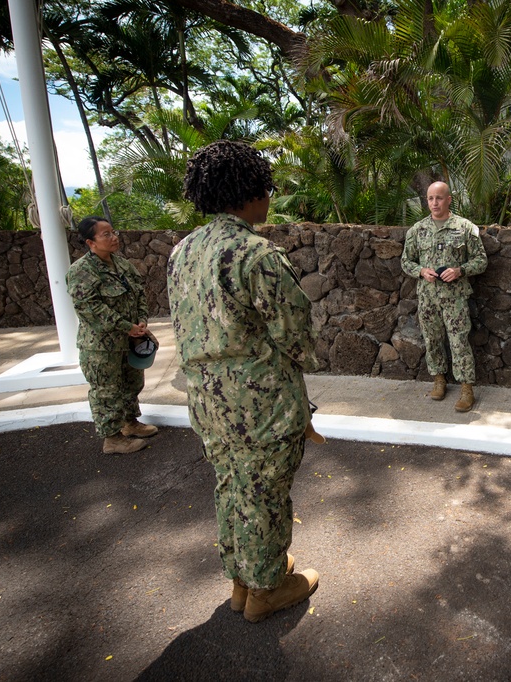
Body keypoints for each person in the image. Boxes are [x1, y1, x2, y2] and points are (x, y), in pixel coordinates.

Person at [167, 140, 319, 624]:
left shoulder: (182, 252)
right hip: (262, 403)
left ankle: (242, 578)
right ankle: (266, 589)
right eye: (266, 189)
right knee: (266, 493)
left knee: (233, 484)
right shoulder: (256, 253)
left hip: (209, 401)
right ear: (248, 191)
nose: (269, 198)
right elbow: (294, 333)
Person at [66, 216, 158, 455]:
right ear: (90, 242)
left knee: (132, 383)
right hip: (101, 346)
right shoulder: (81, 271)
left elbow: (139, 293)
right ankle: (112, 438)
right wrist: (125, 325)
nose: (114, 237)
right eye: (105, 234)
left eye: (113, 231)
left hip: (129, 340)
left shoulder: (122, 264)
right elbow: (89, 307)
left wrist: (141, 320)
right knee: (106, 391)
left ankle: (129, 424)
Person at [400, 181, 488, 412]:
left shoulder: (465, 228)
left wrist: (460, 271)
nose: (434, 203)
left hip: (455, 297)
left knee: (459, 341)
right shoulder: (417, 231)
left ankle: (467, 388)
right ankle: (439, 380)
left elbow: (481, 260)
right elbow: (406, 261)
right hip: (428, 297)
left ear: (449, 199)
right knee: (432, 339)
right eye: (430, 198)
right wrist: (420, 271)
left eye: (439, 198)